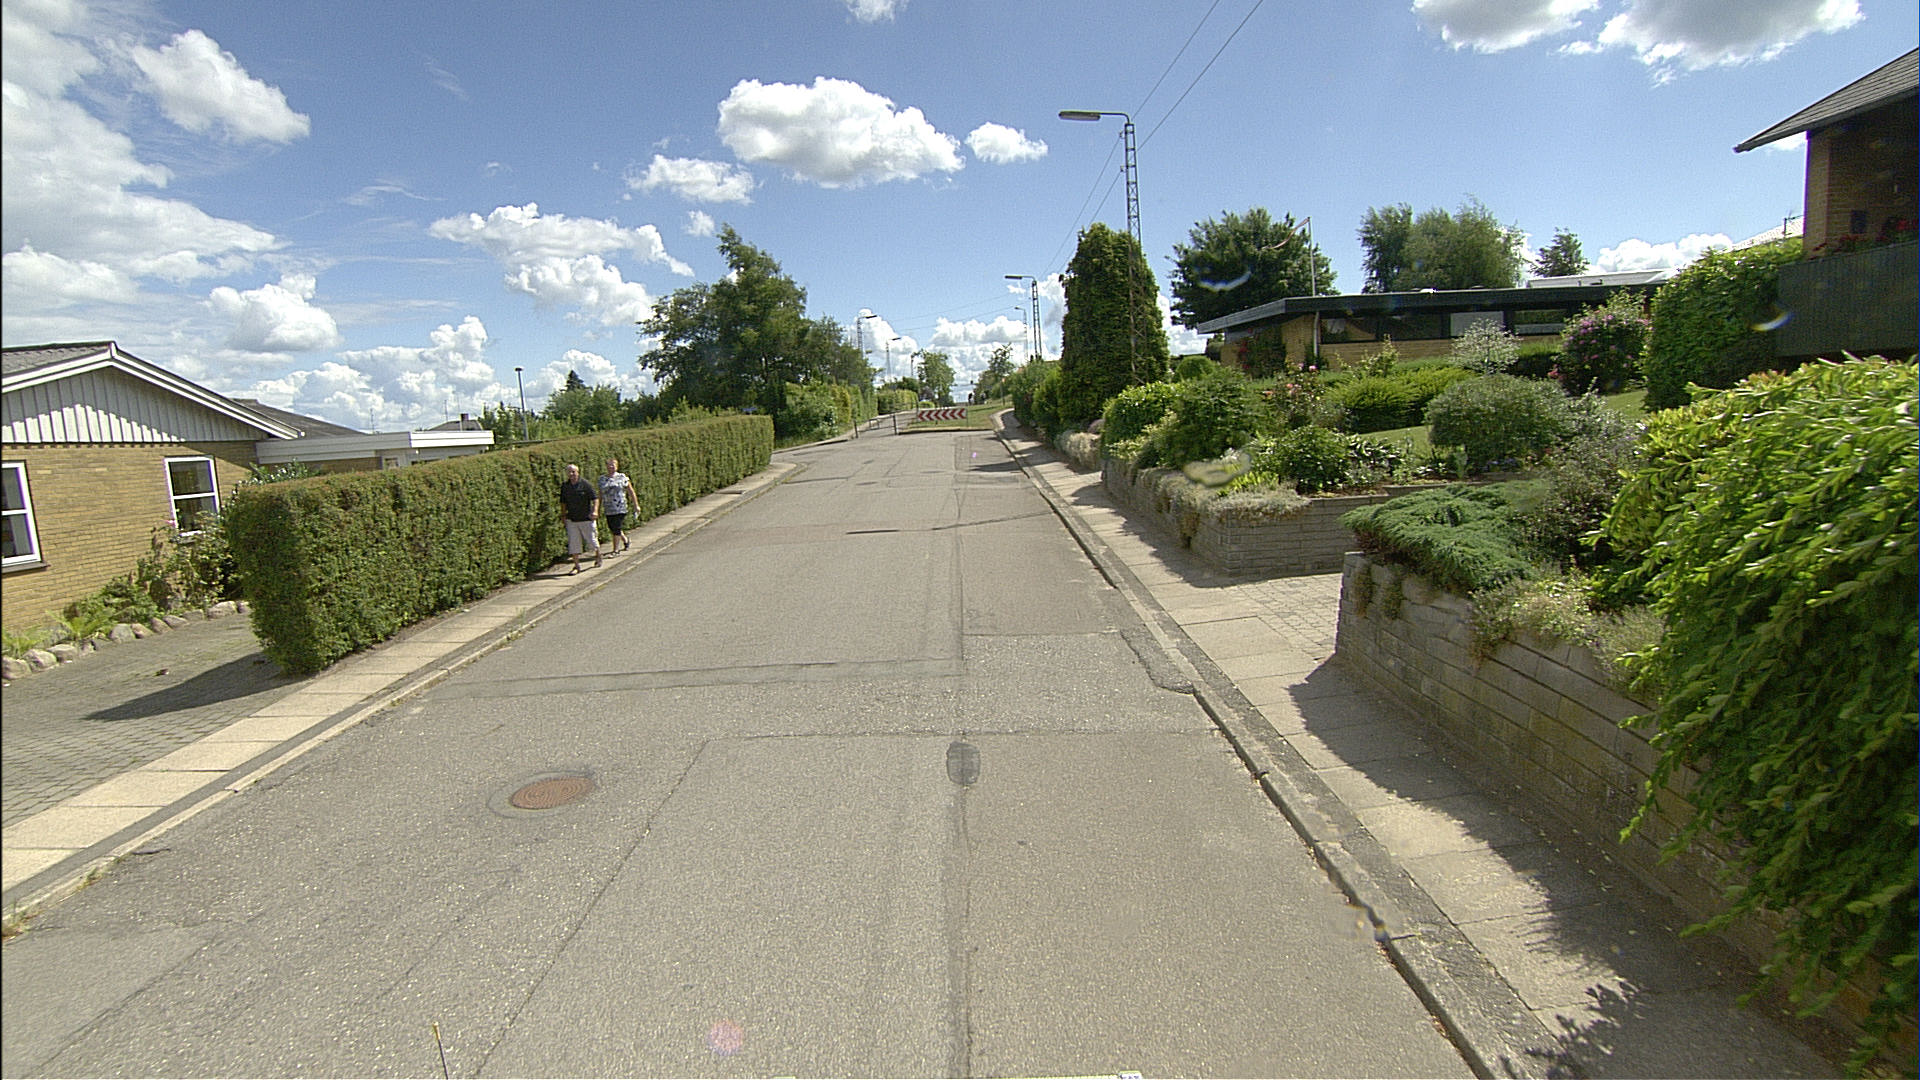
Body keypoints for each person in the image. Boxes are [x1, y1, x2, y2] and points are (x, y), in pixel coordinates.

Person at [559, 463, 601, 574]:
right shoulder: (565, 486)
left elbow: (595, 498)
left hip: (586, 518)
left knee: (592, 541)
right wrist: (563, 515)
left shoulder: (585, 484)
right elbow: (563, 502)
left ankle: (598, 556)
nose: (571, 474)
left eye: (573, 472)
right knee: (574, 543)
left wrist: (595, 511)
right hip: (572, 519)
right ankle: (576, 566)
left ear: (578, 472)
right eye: (569, 472)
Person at [598, 457, 641, 554]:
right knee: (613, 528)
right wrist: (597, 508)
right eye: (609, 465)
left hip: (620, 507)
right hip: (608, 508)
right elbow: (600, 494)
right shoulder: (602, 479)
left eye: (613, 465)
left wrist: (636, 505)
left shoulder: (622, 477)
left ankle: (615, 550)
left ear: (617, 466)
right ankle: (625, 540)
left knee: (616, 528)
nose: (611, 467)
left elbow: (631, 491)